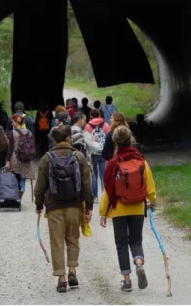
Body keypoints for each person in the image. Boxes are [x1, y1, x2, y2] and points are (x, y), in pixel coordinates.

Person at [34, 125, 94, 293]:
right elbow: (87, 185)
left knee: (57, 241)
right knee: (73, 238)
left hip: (54, 207)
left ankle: (61, 279)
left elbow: (40, 187)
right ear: (69, 138)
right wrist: (88, 205)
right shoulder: (79, 157)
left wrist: (39, 205)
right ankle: (73, 271)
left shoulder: (47, 158)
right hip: (75, 205)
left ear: (54, 139)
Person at [99, 126, 157, 292]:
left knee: (121, 244)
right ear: (131, 140)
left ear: (115, 142)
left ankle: (126, 281)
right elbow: (150, 186)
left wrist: (103, 213)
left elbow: (108, 191)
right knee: (136, 241)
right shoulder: (141, 161)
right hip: (138, 207)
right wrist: (152, 201)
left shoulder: (113, 164)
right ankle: (139, 263)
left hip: (119, 209)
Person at [6, 114, 35, 198]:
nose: (12, 124)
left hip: (16, 158)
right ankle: (21, 191)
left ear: (16, 122)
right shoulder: (29, 132)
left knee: (16, 177)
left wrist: (8, 161)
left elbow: (10, 149)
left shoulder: (12, 133)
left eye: (12, 122)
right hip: (26, 158)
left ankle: (16, 198)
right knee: (23, 177)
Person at [84, 109, 110, 198]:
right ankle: (104, 195)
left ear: (91, 116)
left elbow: (86, 141)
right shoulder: (106, 125)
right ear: (99, 115)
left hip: (92, 153)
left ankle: (95, 196)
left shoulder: (88, 126)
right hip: (103, 152)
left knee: (94, 175)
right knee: (103, 175)